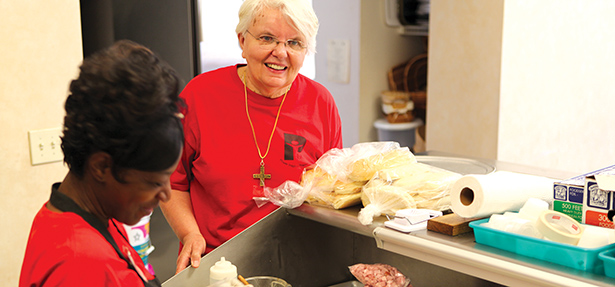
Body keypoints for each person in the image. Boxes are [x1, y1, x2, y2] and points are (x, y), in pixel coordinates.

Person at [160, 0, 343, 274]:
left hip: (299, 262)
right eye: (267, 38)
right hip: (216, 264)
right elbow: (172, 181)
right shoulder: (199, 96)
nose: (280, 52)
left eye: (295, 43)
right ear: (242, 41)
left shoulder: (321, 103)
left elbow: (334, 190)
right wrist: (189, 234)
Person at [19, 40, 184, 287]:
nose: (166, 195)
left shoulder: (99, 216)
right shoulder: (79, 264)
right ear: (101, 167)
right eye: (153, 183)